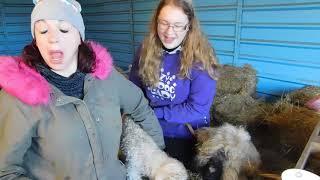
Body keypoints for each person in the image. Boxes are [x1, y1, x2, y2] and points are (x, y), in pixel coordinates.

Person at [0, 0, 164, 179]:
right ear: (36, 40)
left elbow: (141, 107)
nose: (53, 38)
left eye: (63, 29)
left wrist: (156, 160)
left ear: (79, 36)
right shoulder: (17, 97)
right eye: (43, 30)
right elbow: (6, 172)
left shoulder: (107, 77)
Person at [129, 0, 219, 169]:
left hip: (184, 134)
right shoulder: (145, 49)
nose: (169, 32)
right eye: (164, 23)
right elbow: (134, 87)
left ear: (189, 26)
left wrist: (155, 113)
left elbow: (198, 109)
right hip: (150, 127)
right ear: (156, 21)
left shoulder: (201, 59)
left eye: (178, 25)